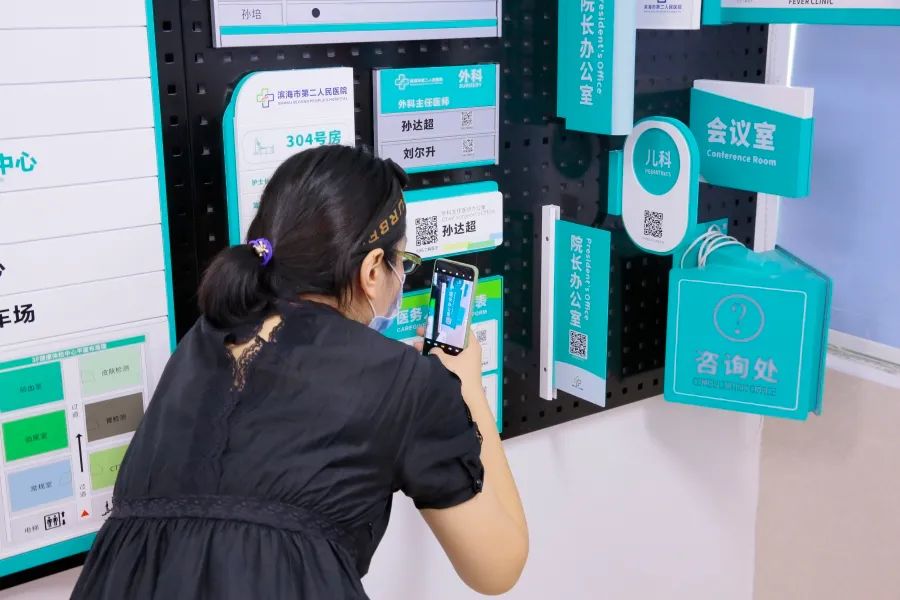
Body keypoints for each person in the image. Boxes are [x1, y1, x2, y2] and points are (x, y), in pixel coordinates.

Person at [71, 146, 528, 599]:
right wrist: (465, 385)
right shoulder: (405, 381)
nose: (399, 278)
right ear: (372, 270)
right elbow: (497, 567)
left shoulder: (203, 340)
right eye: (401, 263)